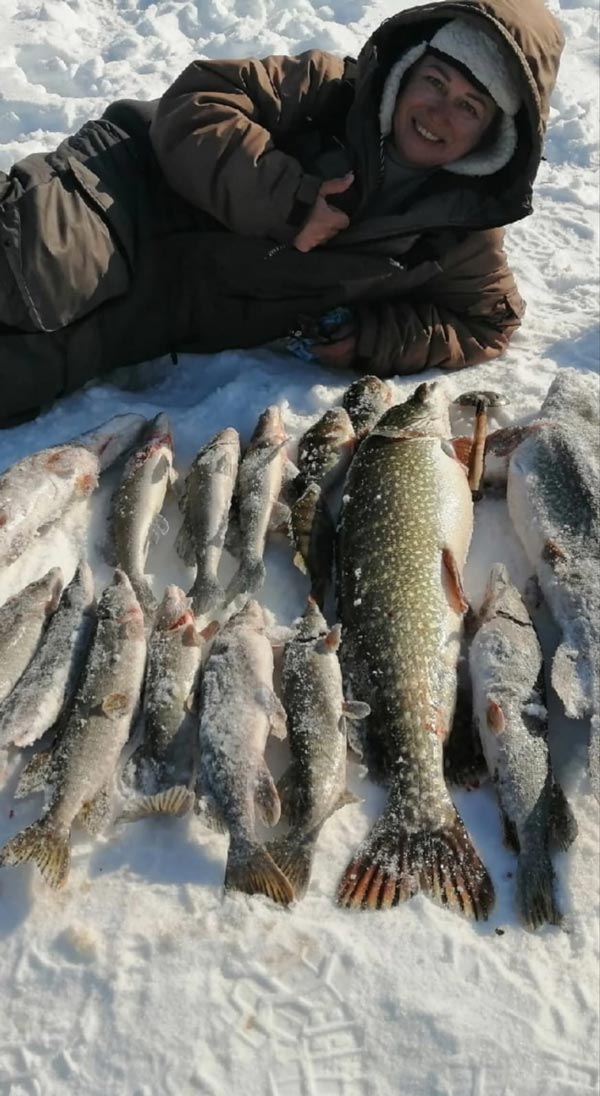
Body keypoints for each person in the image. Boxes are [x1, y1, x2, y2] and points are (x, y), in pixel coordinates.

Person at [0, 0, 564, 428]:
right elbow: (199, 103)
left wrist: (371, 336)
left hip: (157, 310)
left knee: (16, 380)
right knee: (38, 267)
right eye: (434, 82)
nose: (438, 113)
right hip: (122, 193)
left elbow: (488, 323)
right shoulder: (331, 88)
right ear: (405, 75)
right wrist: (291, 202)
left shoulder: (462, 234)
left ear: (497, 135)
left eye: (469, 106)